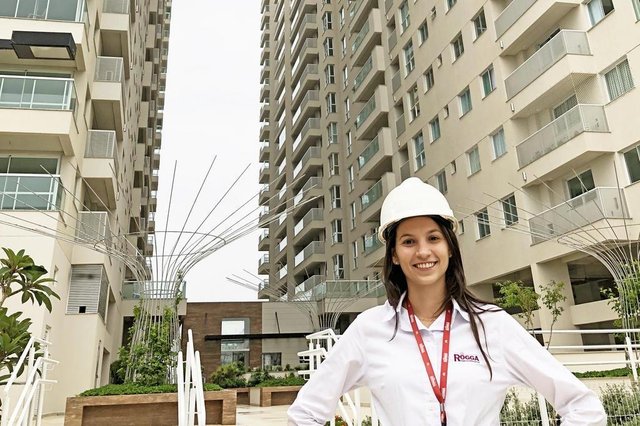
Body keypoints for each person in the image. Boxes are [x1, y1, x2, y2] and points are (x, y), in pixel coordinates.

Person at [287, 177, 607, 425]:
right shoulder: (370, 330)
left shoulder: (491, 326)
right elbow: (304, 414)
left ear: (450, 247)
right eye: (409, 241)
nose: (423, 251)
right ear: (395, 255)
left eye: (433, 238)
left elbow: (584, 407)